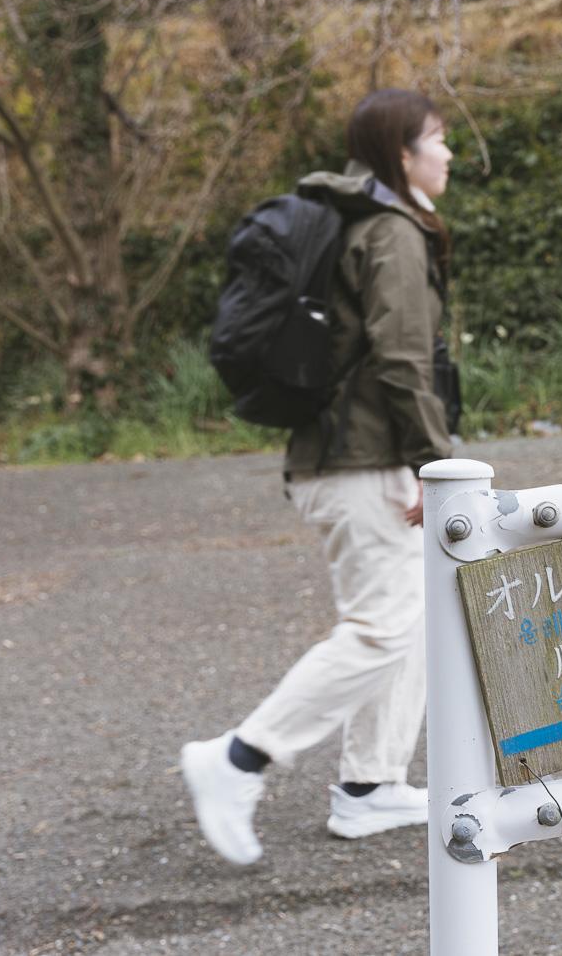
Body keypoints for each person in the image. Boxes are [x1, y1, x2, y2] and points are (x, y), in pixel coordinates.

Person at [182, 89, 456, 865]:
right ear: (404, 154)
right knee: (380, 626)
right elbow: (403, 360)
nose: (450, 155)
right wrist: (439, 466)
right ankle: (239, 757)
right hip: (360, 461)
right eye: (439, 141)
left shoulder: (359, 220)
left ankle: (371, 787)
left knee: (411, 616)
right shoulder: (392, 230)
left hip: (360, 457)